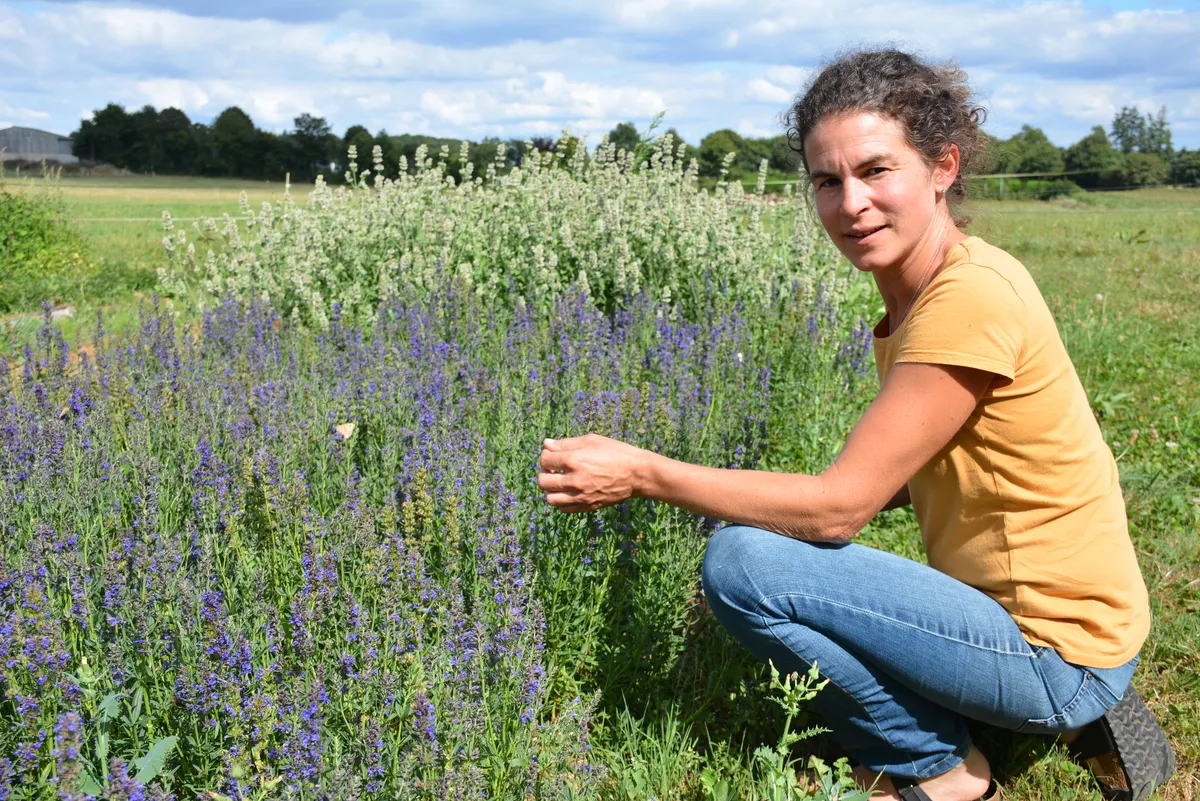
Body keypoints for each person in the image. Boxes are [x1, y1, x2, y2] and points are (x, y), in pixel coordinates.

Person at [537, 49, 1173, 801]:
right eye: (827, 181)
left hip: (1054, 647)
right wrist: (797, 510)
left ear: (942, 167)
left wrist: (644, 473)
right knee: (775, 539)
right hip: (1061, 623)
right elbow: (909, 478)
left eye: (876, 171)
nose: (851, 204)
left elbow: (842, 508)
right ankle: (1054, 705)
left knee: (743, 564)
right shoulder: (937, 289)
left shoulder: (968, 300)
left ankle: (937, 762)